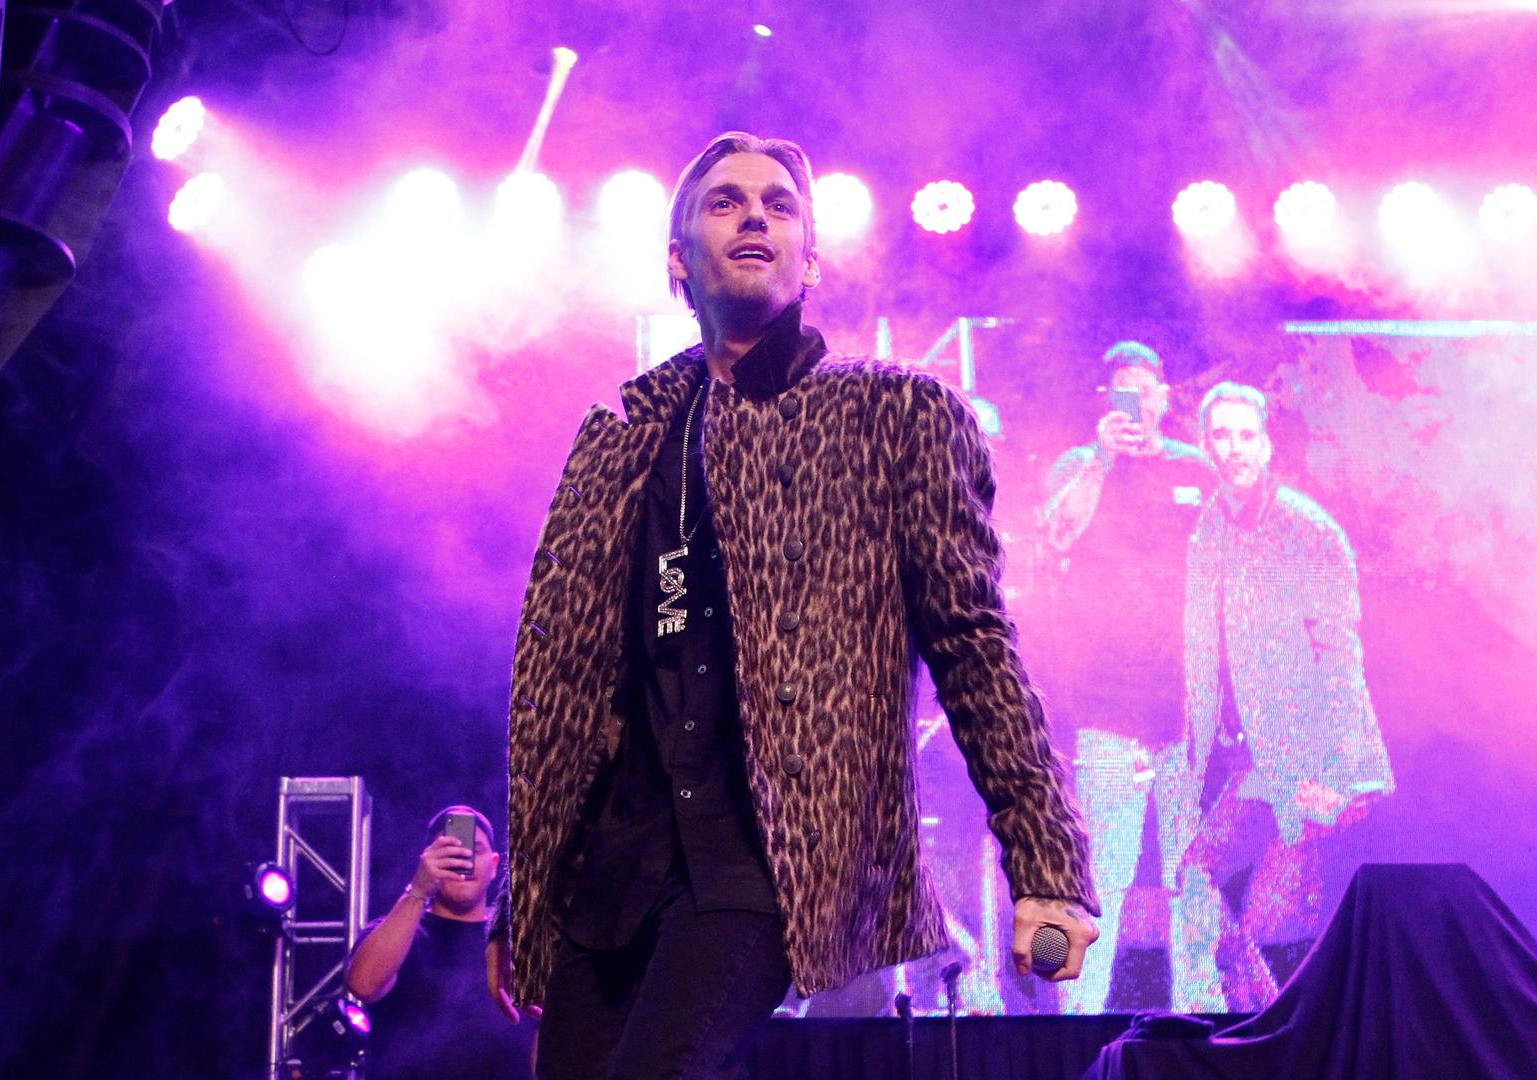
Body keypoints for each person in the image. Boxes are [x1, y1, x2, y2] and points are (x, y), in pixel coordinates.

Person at [488, 131, 1100, 1080]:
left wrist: (1046, 864)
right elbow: (572, 692)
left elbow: (976, 645)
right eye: (725, 201)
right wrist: (524, 898)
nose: (754, 216)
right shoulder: (620, 442)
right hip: (614, 865)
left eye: (778, 204)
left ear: (810, 260)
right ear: (678, 259)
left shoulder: (892, 415)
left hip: (762, 858)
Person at [1177, 382, 1394, 1009]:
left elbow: (1341, 657)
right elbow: (1204, 650)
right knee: (1198, 882)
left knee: (1274, 922)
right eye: (1222, 435)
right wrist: (1195, 749)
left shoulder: (1307, 529)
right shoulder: (1208, 527)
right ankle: (1263, 1025)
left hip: (1311, 759)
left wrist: (1347, 774)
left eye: (1247, 435)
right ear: (1205, 444)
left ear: (1267, 445)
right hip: (1252, 760)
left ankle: (1290, 1031)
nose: (1235, 448)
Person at [1038, 341, 1216, 1012]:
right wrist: (1104, 461)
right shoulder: (1081, 465)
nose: (1137, 403)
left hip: (1184, 706)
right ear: (1106, 402)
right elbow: (1057, 537)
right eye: (1124, 393)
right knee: (1101, 869)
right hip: (1108, 705)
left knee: (1190, 872)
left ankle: (1200, 1011)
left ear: (1166, 398)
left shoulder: (1194, 469)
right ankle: (1076, 1018)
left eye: (1147, 391)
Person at [346, 805, 535, 1079]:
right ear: (428, 860)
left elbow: (542, 1031)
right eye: (449, 850)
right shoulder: (399, 930)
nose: (463, 859)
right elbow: (363, 984)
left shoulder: (515, 940)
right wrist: (419, 889)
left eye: (475, 850)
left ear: (495, 865)